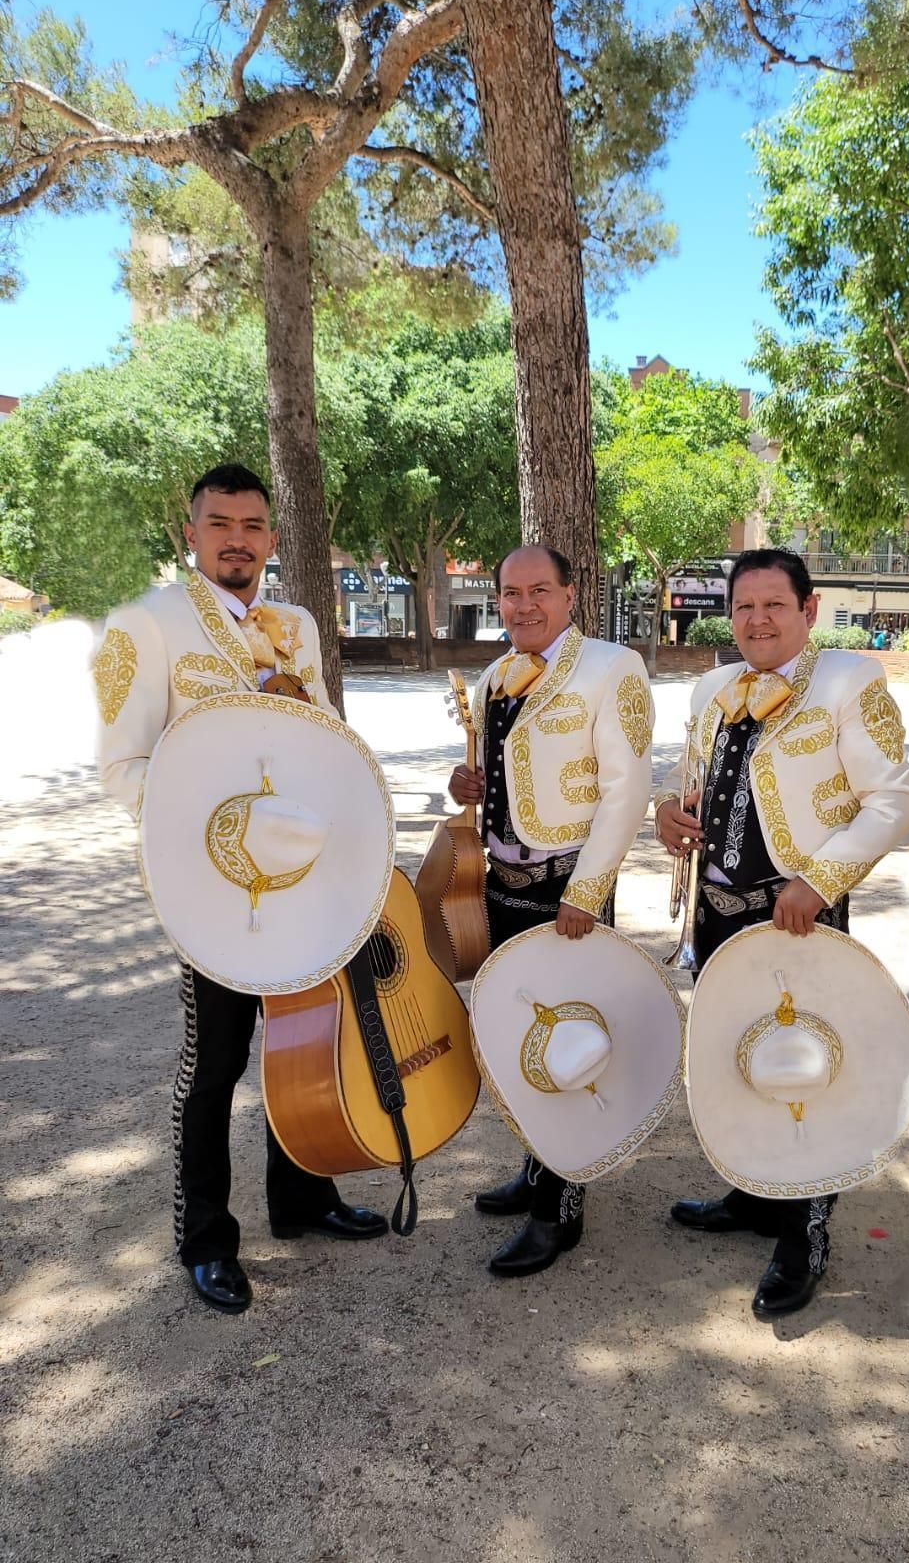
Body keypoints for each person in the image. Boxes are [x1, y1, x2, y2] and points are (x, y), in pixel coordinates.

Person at [93, 464, 387, 1314]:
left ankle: (302, 1200)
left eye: (252, 525)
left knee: (307, 1046)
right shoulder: (144, 625)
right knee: (215, 1064)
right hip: (213, 891)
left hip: (303, 881)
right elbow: (123, 769)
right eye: (218, 522)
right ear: (190, 533)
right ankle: (205, 1239)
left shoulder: (293, 624)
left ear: (271, 537)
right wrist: (219, 823)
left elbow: (330, 741)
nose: (236, 538)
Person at [654, 547, 909, 1319]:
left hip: (798, 914)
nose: (756, 620)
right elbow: (690, 784)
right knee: (736, 1056)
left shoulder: (849, 681)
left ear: (808, 609)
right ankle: (749, 1191)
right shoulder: (711, 687)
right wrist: (666, 816)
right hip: (717, 910)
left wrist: (820, 881)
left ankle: (803, 1232)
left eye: (773, 605)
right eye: (743, 607)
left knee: (806, 1068)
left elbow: (890, 801)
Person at [448, 545, 654, 1276]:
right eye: (510, 593)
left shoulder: (610, 667)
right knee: (518, 1028)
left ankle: (558, 1213)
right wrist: (465, 784)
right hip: (501, 883)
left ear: (571, 595)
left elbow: (626, 790)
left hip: (568, 888)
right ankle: (538, 1169)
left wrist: (587, 893)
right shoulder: (493, 678)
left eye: (540, 590)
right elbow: (497, 780)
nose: (523, 605)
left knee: (571, 1040)